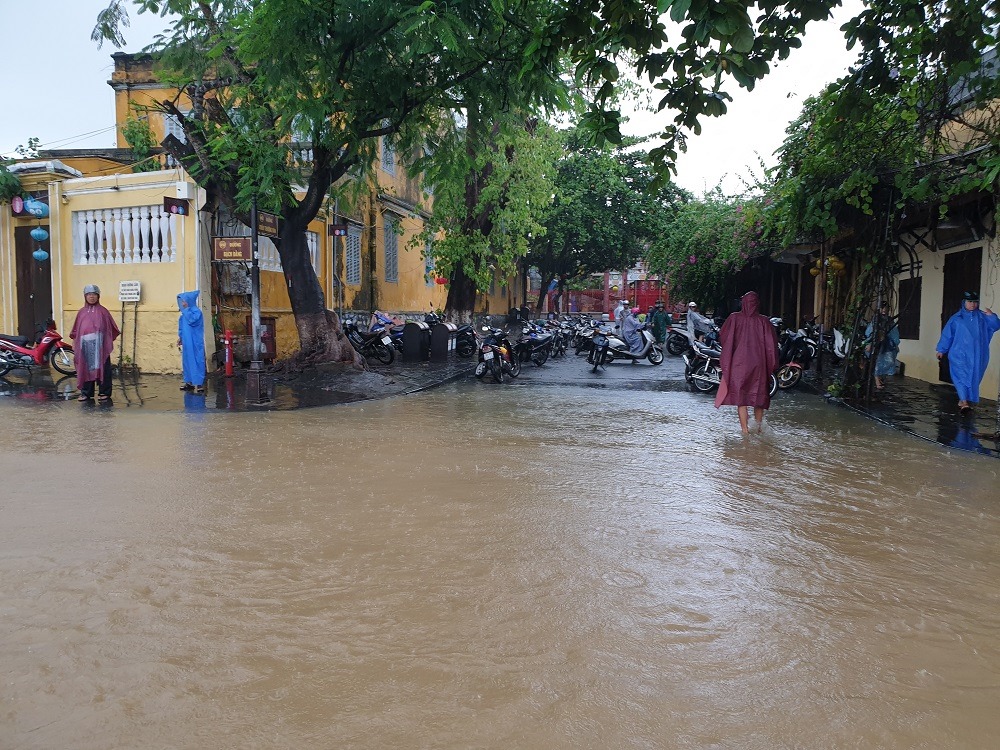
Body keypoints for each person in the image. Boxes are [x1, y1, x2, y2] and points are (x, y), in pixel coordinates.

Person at [714, 291, 779, 434]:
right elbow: (771, 346)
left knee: (741, 398)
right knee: (759, 396)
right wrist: (773, 365)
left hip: (739, 364)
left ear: (743, 303)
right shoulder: (764, 321)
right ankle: (759, 428)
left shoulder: (734, 318)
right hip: (759, 364)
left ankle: (744, 430)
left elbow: (724, 337)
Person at [935, 291, 1000, 414]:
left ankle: (964, 399)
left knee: (973, 377)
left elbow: (996, 326)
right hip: (959, 354)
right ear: (964, 302)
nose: (973, 305)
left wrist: (992, 316)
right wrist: (941, 349)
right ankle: (964, 401)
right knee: (961, 376)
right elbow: (947, 335)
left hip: (978, 355)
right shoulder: (956, 319)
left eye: (975, 302)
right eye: (970, 302)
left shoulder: (982, 317)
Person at [70, 284, 121, 404]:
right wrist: (75, 343)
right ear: (85, 296)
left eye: (94, 294)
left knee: (104, 368)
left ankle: (104, 392)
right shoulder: (81, 312)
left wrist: (104, 340)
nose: (91, 297)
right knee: (85, 368)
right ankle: (86, 392)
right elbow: (76, 330)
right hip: (85, 346)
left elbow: (111, 328)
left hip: (101, 346)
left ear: (98, 296)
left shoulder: (103, 312)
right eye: (89, 295)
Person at [177, 290, 207, 394]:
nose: (183, 303)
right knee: (187, 362)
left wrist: (186, 310)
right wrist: (180, 337)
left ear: (189, 301)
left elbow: (192, 320)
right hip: (186, 341)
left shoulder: (196, 312)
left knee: (197, 360)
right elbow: (181, 327)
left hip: (195, 341)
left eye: (184, 301)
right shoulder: (184, 314)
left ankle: (199, 383)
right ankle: (188, 382)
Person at [865, 301, 900, 390]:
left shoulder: (889, 320)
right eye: (882, 308)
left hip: (887, 344)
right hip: (876, 344)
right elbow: (870, 332)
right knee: (876, 361)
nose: (884, 310)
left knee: (890, 361)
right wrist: (870, 343)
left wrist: (895, 343)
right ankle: (877, 380)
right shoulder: (875, 320)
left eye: (885, 308)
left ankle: (879, 377)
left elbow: (894, 333)